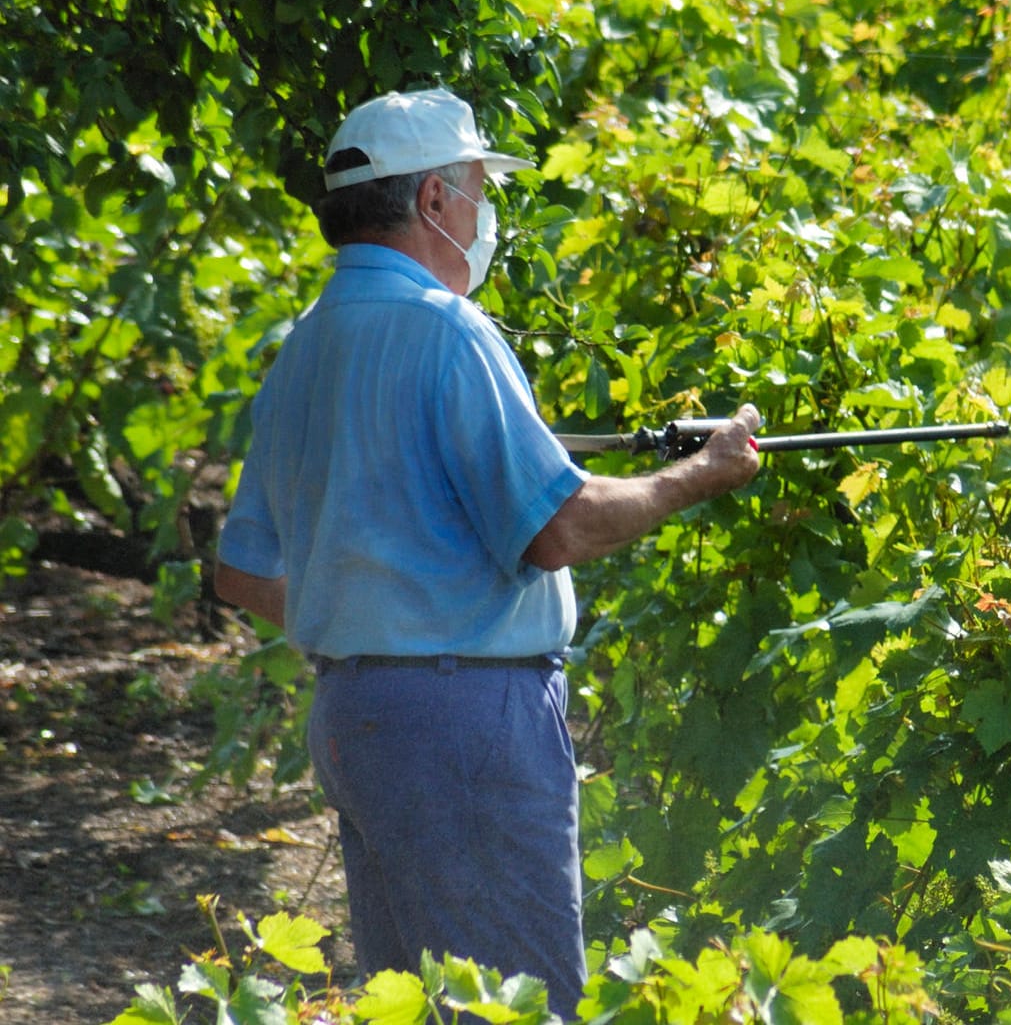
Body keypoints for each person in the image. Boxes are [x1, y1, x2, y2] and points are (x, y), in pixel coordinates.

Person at [212, 88, 760, 1016]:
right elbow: (561, 528)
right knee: (514, 1002)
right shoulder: (448, 330)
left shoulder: (303, 349)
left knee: (419, 1002)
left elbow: (241, 571)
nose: (483, 212)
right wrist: (698, 475)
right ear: (432, 202)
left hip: (354, 714)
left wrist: (366, 613)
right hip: (467, 723)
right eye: (475, 188)